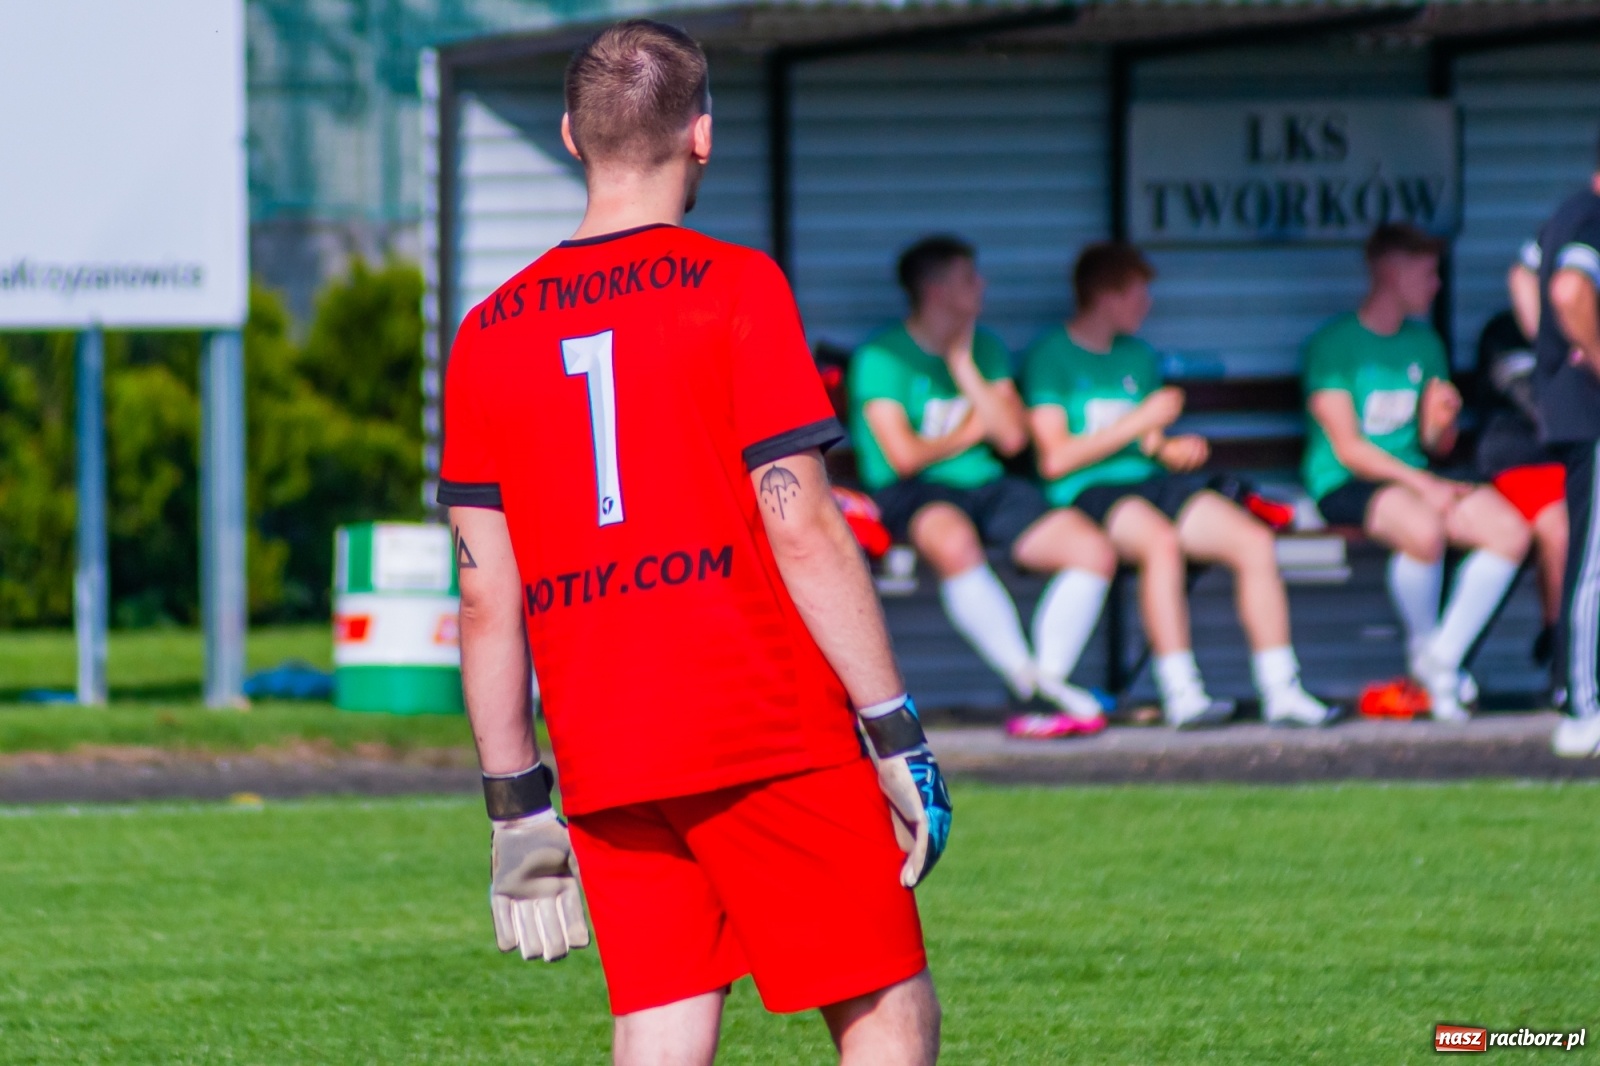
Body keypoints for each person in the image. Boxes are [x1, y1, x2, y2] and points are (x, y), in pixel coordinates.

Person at [438, 22, 949, 1065]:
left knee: (662, 1017)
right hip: (763, 724)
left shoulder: (485, 331)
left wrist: (514, 803)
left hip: (605, 744)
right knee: (884, 1008)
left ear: (571, 135)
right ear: (702, 134)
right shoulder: (736, 284)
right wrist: (895, 729)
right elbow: (801, 525)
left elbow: (486, 595)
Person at [1022, 242, 1332, 729]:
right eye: (1138, 293)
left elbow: (1147, 441)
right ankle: (1181, 692)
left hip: (1151, 483)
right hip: (1088, 492)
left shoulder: (1137, 357)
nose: (1147, 305)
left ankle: (1282, 689)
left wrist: (1170, 449)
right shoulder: (1051, 356)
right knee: (1160, 542)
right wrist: (1138, 422)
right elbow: (1056, 459)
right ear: (1106, 295)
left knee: (1252, 540)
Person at [848, 235, 1117, 738]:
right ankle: (1028, 682)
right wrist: (972, 431)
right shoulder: (883, 356)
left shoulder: (985, 349)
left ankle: (1046, 686)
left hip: (988, 485)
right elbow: (904, 457)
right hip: (915, 491)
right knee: (955, 543)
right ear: (936, 291)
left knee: (1092, 549)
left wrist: (963, 368)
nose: (983, 285)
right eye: (969, 278)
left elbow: (1011, 437)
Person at [1302, 223, 1531, 721]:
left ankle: (1440, 660)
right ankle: (1424, 649)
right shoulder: (1334, 345)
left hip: (1414, 479)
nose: (1436, 285)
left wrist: (1440, 422)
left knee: (1509, 530)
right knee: (1423, 528)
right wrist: (1425, 484)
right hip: (1347, 482)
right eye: (1427, 273)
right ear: (1392, 271)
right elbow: (1348, 449)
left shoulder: (1425, 344)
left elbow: (1434, 446)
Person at [1522, 140, 1600, 757]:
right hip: (1590, 413)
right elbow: (1568, 290)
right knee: (1593, 561)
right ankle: (1580, 705)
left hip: (1572, 403)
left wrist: (1545, 351)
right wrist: (1590, 353)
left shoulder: (1569, 211)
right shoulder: (1591, 215)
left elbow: (1524, 275)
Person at [1470, 307, 1567, 676]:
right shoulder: (1504, 332)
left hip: (1575, 461)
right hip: (1519, 461)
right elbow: (1539, 407)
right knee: (1561, 528)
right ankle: (1563, 649)